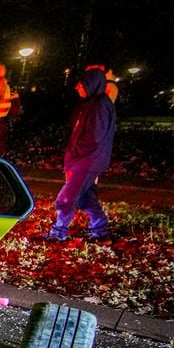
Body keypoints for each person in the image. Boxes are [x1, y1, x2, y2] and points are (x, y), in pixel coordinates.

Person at [43, 67, 117, 242]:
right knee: (85, 198)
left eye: (82, 85)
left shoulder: (99, 106)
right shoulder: (93, 104)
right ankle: (101, 231)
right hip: (87, 160)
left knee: (66, 198)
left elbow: (94, 136)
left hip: (86, 161)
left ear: (92, 85)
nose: (77, 88)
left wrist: (76, 154)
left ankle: (58, 232)